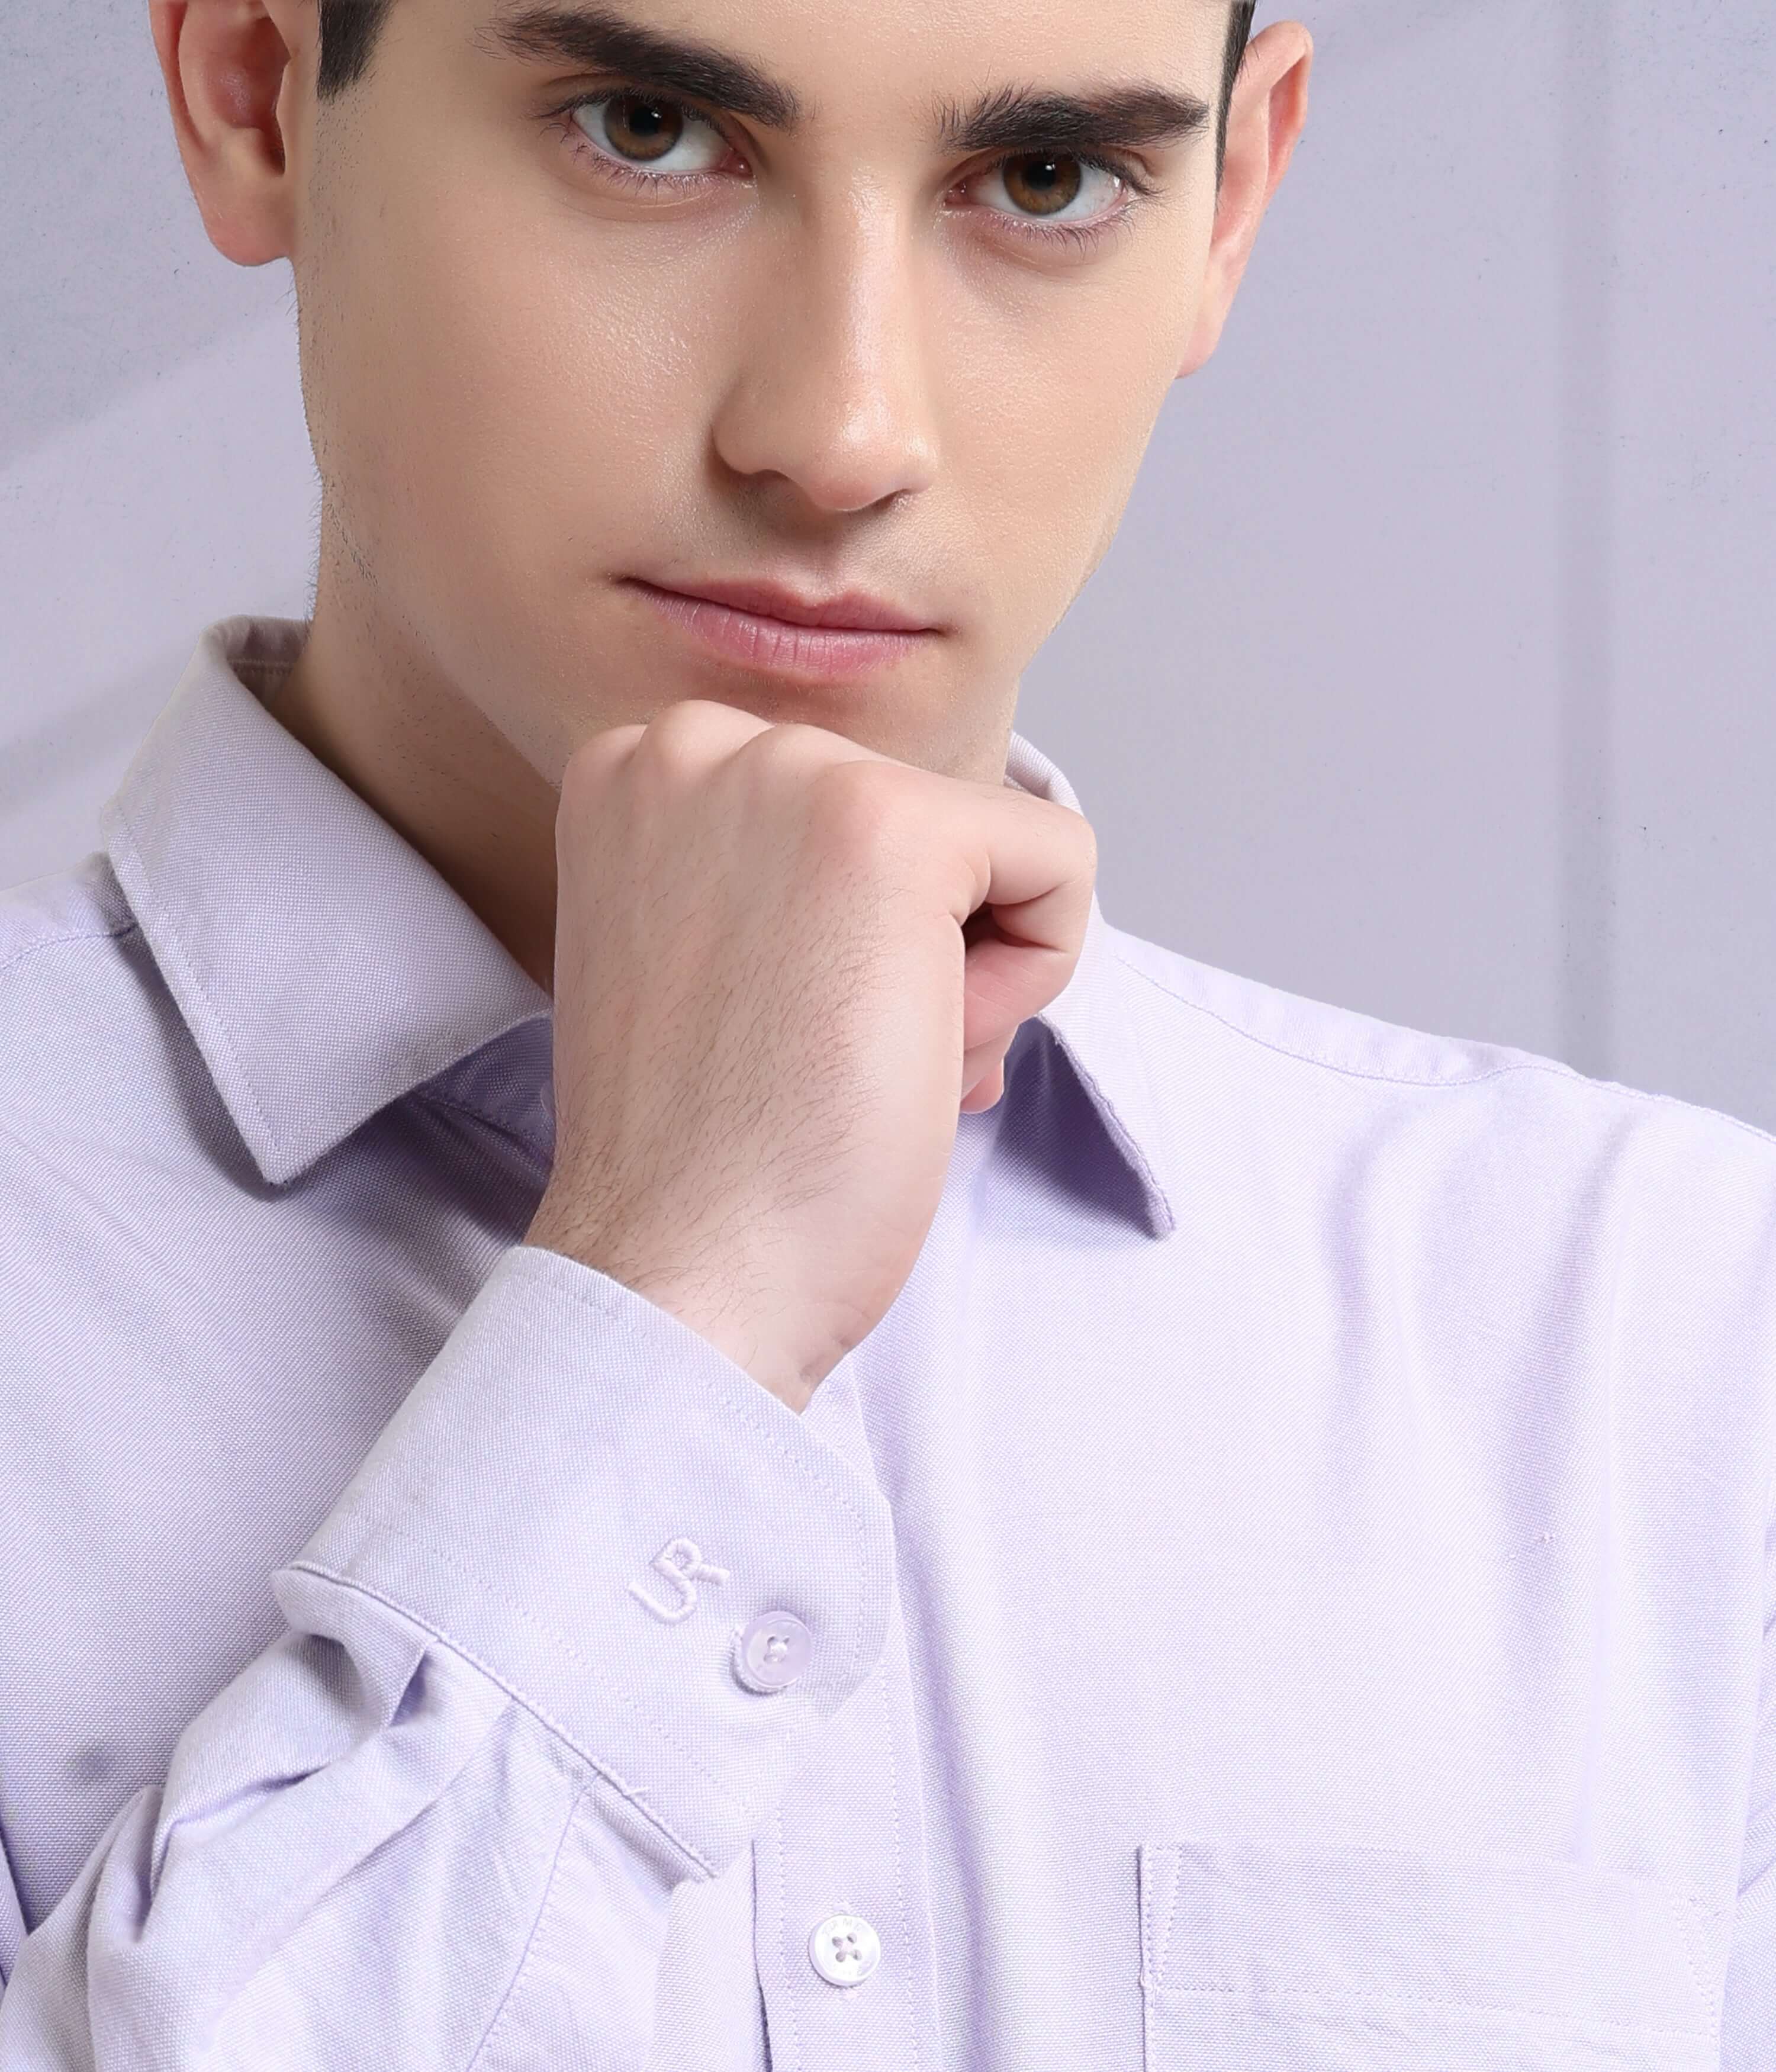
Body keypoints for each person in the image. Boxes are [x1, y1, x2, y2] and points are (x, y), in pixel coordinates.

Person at [1, 0, 1772, 2064]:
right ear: (254, 96)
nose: (839, 434)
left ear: (1235, 195)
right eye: (647, 130)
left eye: (1042, 180)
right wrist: (675, 1297)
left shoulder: (1674, 1342)